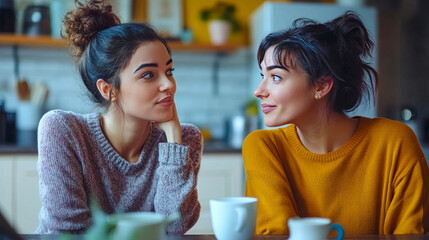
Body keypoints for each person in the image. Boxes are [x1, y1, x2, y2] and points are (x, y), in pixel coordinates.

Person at [243, 11, 429, 235]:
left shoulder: (395, 142)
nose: (258, 91)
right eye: (262, 75)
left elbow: (410, 233)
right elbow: (278, 233)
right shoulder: (263, 147)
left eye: (276, 77)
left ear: (321, 86)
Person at [35, 0, 202, 234]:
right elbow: (69, 232)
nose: (169, 85)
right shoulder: (63, 130)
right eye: (148, 75)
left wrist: (174, 138)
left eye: (169, 71)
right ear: (108, 89)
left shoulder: (186, 139)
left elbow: (174, 228)